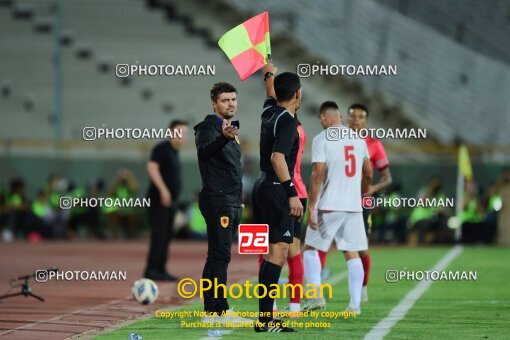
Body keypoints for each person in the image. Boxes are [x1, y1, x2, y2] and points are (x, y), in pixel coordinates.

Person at [317, 103, 392, 302]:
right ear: (346, 118)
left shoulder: (374, 144)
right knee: (322, 243)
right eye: (353, 116)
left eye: (361, 117)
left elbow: (387, 178)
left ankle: (363, 287)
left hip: (361, 201)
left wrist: (371, 189)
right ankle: (317, 290)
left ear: (366, 121)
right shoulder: (336, 138)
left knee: (360, 248)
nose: (356, 120)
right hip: (336, 198)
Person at [303, 103, 372, 314]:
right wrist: (359, 193)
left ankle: (315, 297)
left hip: (329, 205)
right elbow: (368, 174)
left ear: (323, 118)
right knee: (352, 254)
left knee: (310, 250)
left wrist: (312, 204)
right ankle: (354, 305)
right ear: (340, 117)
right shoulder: (358, 139)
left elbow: (317, 174)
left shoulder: (321, 139)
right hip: (352, 207)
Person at [252, 59, 303, 332]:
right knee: (278, 253)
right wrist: (292, 193)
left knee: (270, 252)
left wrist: (268, 74)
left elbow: (270, 95)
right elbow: (278, 158)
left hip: (261, 187)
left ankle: (265, 318)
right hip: (275, 187)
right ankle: (265, 319)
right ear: (297, 94)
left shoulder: (270, 111)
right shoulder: (288, 122)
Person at [194, 82, 248, 324]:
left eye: (233, 99)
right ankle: (218, 310)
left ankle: (212, 310)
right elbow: (203, 152)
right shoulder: (208, 127)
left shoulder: (229, 130)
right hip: (218, 199)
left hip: (229, 200)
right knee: (220, 255)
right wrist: (223, 139)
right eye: (225, 100)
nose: (231, 104)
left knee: (217, 255)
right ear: (214, 103)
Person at [144, 119, 188, 281]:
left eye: (185, 133)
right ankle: (151, 270)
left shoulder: (174, 152)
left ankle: (160, 269)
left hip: (170, 202)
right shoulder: (162, 148)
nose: (183, 136)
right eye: (180, 132)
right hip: (158, 200)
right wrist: (163, 190)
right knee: (160, 235)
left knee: (166, 235)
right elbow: (152, 168)